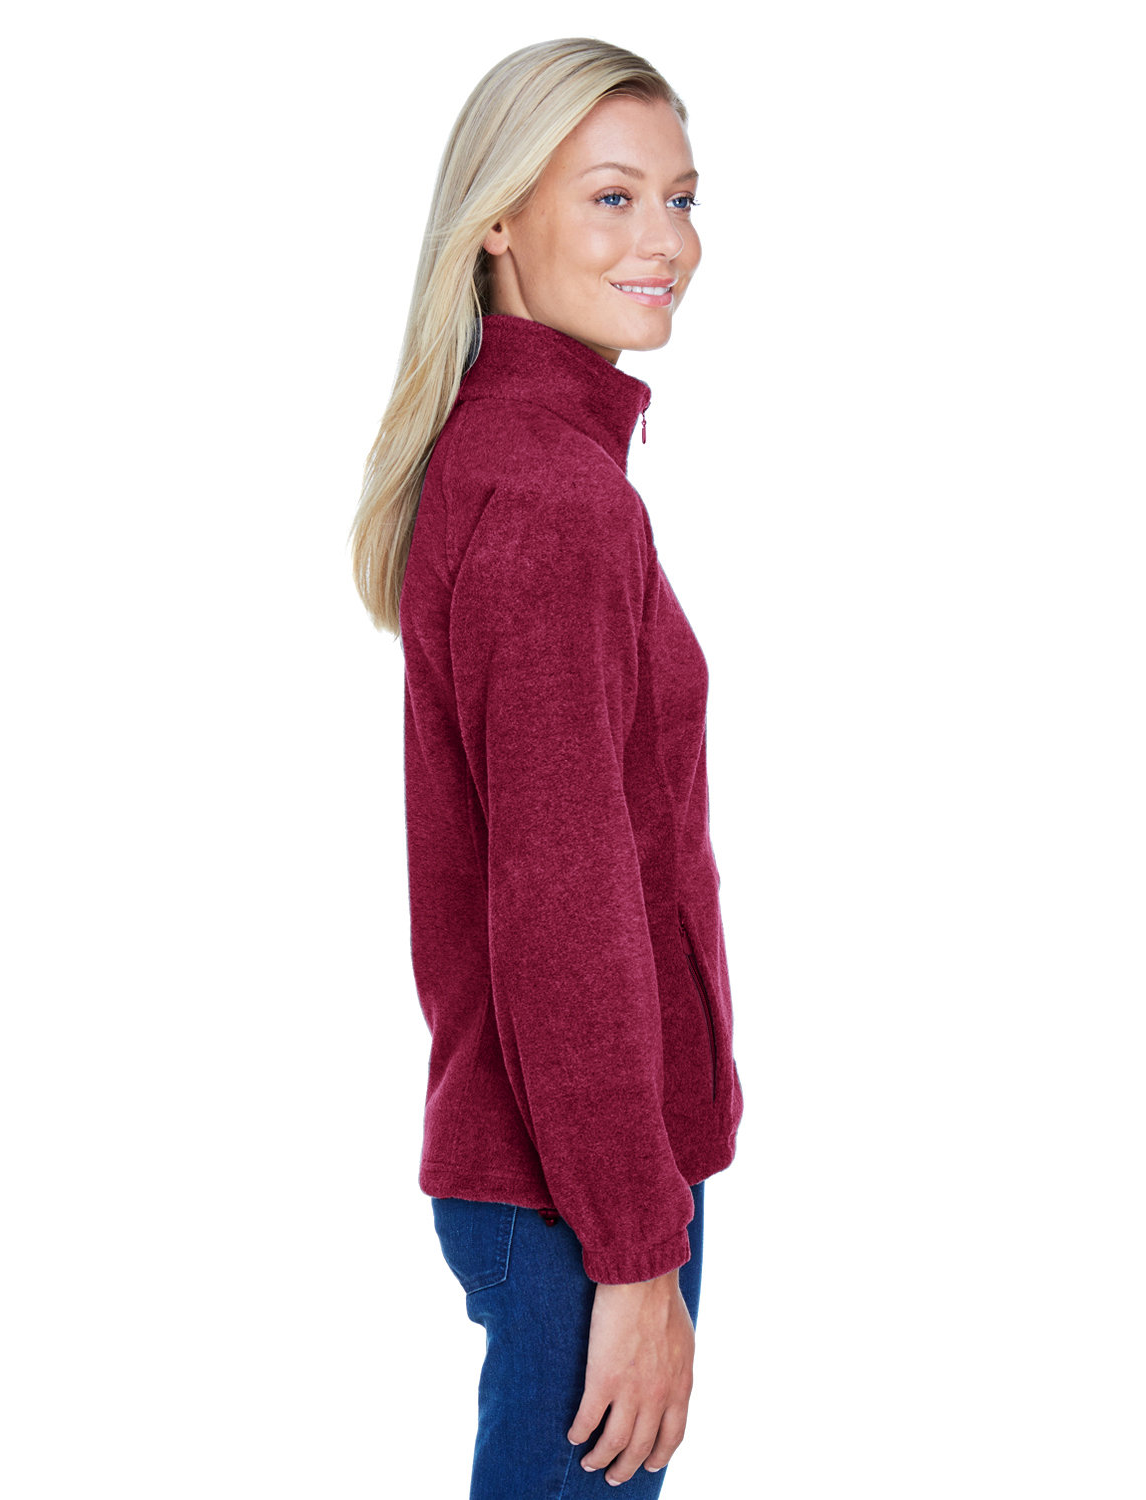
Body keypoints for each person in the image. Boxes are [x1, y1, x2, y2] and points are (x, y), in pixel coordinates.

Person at [350, 37, 744, 1496]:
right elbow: (562, 910)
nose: (665, 243)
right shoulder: (555, 499)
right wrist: (638, 1254)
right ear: (500, 221)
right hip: (578, 1202)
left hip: (554, 1183)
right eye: (613, 198)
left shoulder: (504, 458)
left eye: (682, 199)